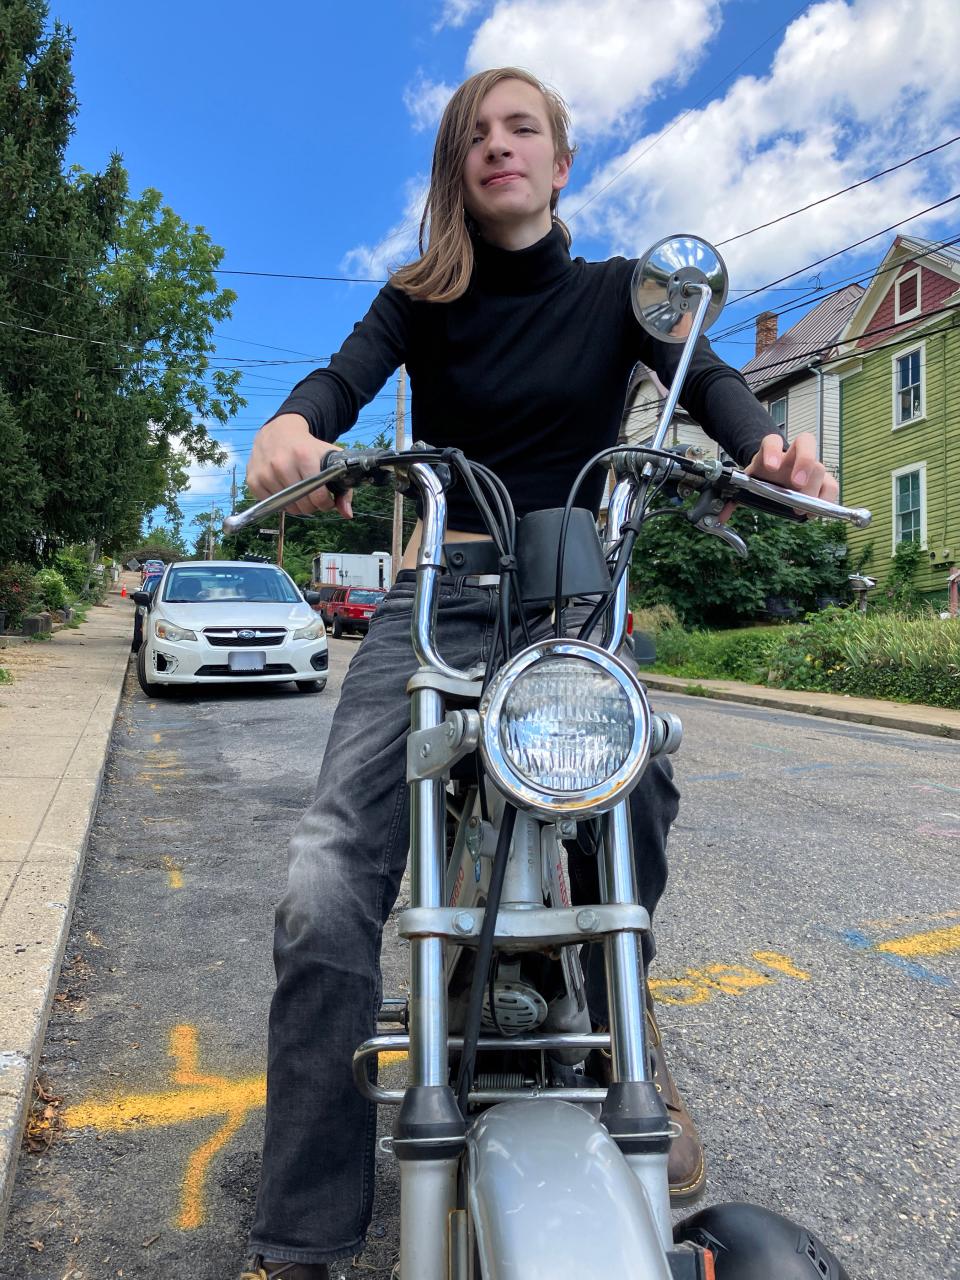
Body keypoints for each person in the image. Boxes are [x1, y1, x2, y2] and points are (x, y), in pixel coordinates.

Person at [240, 67, 838, 1280]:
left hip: (572, 601)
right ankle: (301, 1234)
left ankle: (627, 1016)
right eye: (476, 134)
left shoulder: (625, 291)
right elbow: (340, 380)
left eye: (524, 129)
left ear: (563, 162)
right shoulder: (421, 298)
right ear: (459, 168)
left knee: (644, 790)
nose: (498, 146)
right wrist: (293, 425)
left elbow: (707, 380)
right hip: (439, 594)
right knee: (321, 883)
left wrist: (767, 445)